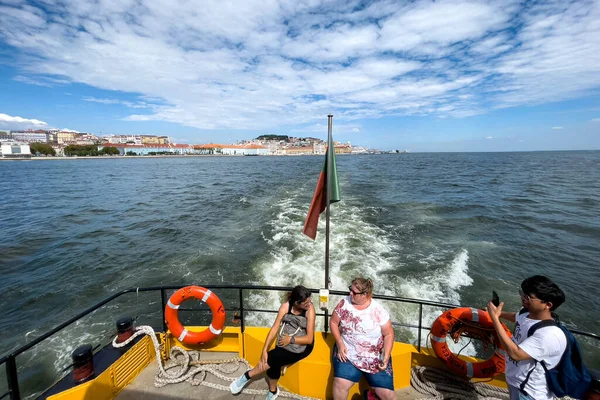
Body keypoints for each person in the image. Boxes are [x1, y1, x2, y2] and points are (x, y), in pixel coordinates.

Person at [487, 275, 567, 400]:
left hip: (529, 392)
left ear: (548, 305)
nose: (523, 298)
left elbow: (516, 354)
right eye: (522, 294)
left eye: (528, 297)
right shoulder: (527, 313)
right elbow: (517, 317)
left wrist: (495, 318)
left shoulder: (550, 335)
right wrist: (500, 314)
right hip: (515, 380)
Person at [230, 285, 315, 399]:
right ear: (296, 303)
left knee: (272, 358)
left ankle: (248, 375)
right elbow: (275, 328)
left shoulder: (310, 310)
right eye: (305, 303)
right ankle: (273, 390)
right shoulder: (286, 306)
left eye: (309, 301)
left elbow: (309, 339)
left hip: (302, 345)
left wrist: (291, 339)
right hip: (286, 339)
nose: (309, 304)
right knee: (274, 361)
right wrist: (264, 349)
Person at [330, 277, 395, 400]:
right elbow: (333, 322)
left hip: (374, 356)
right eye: (350, 289)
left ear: (364, 295)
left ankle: (371, 396)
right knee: (340, 383)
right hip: (348, 351)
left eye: (354, 292)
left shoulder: (378, 310)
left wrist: (386, 357)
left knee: (388, 396)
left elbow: (389, 334)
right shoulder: (344, 304)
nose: (350, 293)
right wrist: (339, 343)